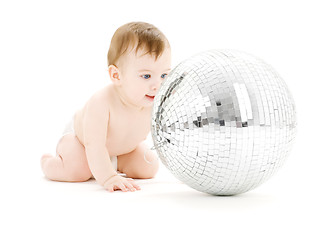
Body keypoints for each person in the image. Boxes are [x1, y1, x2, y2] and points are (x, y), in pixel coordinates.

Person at [41, 22, 171, 192]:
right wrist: (108, 177)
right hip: (81, 142)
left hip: (121, 150)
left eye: (163, 75)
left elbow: (169, 134)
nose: (157, 85)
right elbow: (93, 144)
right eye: (146, 76)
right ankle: (49, 163)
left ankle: (111, 164)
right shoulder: (102, 103)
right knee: (77, 171)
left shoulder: (154, 101)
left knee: (148, 168)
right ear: (116, 75)